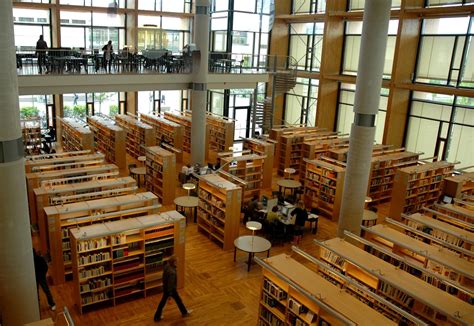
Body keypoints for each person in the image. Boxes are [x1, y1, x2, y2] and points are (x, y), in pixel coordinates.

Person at [154, 256, 191, 322]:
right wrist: (170, 294)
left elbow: (164, 277)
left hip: (166, 287)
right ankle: (184, 313)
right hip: (171, 290)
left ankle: (157, 316)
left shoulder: (167, 266)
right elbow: (171, 284)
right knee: (178, 301)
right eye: (176, 262)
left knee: (164, 302)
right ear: (174, 262)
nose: (177, 263)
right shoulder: (172, 273)